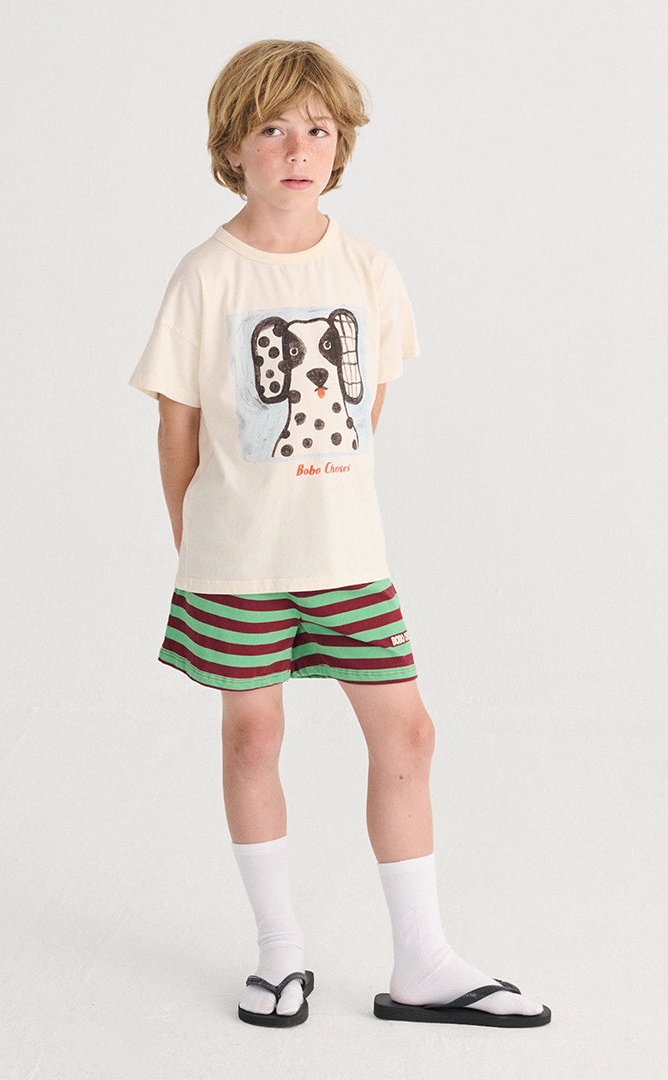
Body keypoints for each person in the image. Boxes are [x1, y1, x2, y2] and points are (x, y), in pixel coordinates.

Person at [129, 39, 550, 1030]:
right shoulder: (205, 276)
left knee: (409, 733)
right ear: (233, 146)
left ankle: (423, 959)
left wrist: (324, 501)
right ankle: (280, 954)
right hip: (236, 561)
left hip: (348, 555)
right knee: (253, 737)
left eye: (317, 130)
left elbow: (370, 409)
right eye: (273, 129)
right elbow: (177, 428)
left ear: (342, 146)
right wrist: (199, 544)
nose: (297, 149)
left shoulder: (367, 268)